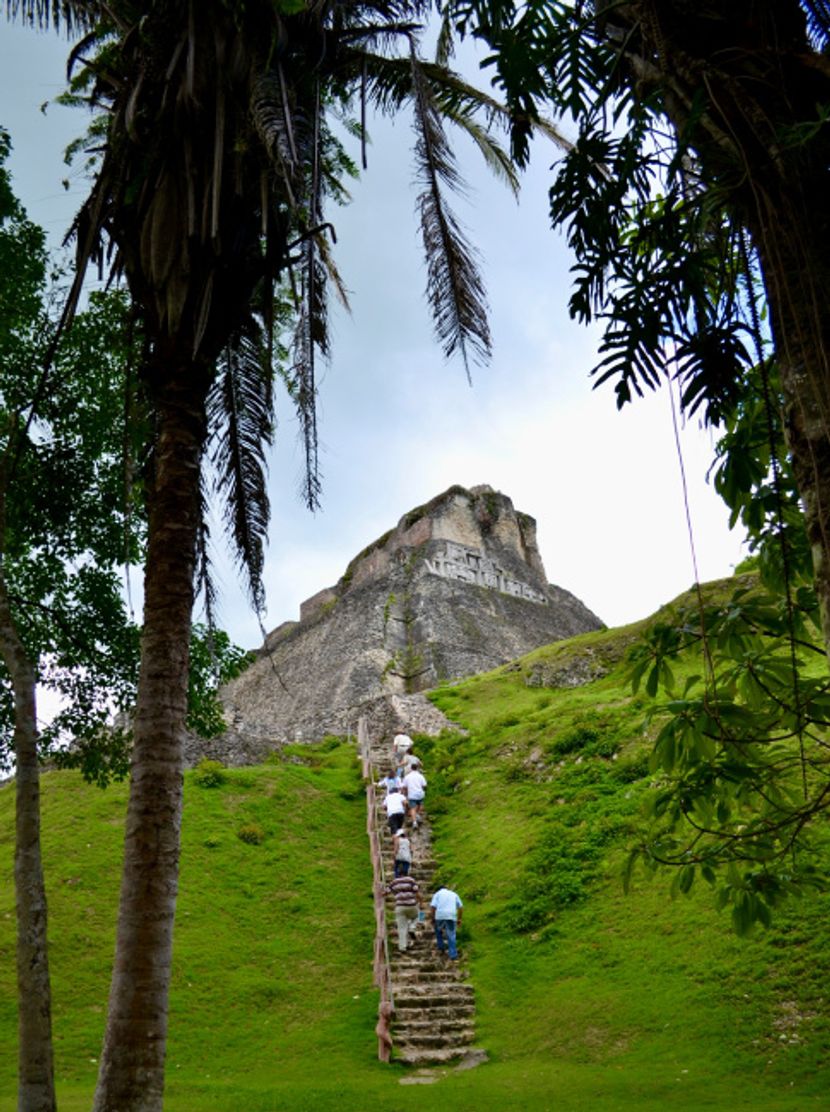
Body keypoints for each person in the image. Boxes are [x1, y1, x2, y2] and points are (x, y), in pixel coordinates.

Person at [387, 872, 422, 952]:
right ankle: (412, 927)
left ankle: (402, 948)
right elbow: (417, 891)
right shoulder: (410, 880)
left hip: (400, 907)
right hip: (412, 905)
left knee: (401, 928)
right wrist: (421, 902)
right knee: (420, 915)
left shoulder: (394, 882)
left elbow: (387, 891)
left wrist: (382, 894)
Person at [430, 885, 463, 960]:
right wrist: (459, 919)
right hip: (451, 916)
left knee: (438, 930)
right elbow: (460, 907)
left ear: (439, 889)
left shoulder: (437, 894)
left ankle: (441, 947)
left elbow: (433, 907)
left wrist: (433, 918)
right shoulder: (454, 894)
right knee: (451, 935)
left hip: (440, 915)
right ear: (446, 889)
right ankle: (453, 954)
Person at [402, 761, 427, 827]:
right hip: (420, 794)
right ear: (417, 768)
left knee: (412, 808)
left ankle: (414, 822)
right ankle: (417, 815)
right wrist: (423, 790)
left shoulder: (407, 776)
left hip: (412, 794)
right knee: (419, 805)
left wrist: (405, 794)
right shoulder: (420, 776)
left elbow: (404, 787)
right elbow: (424, 785)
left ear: (411, 768)